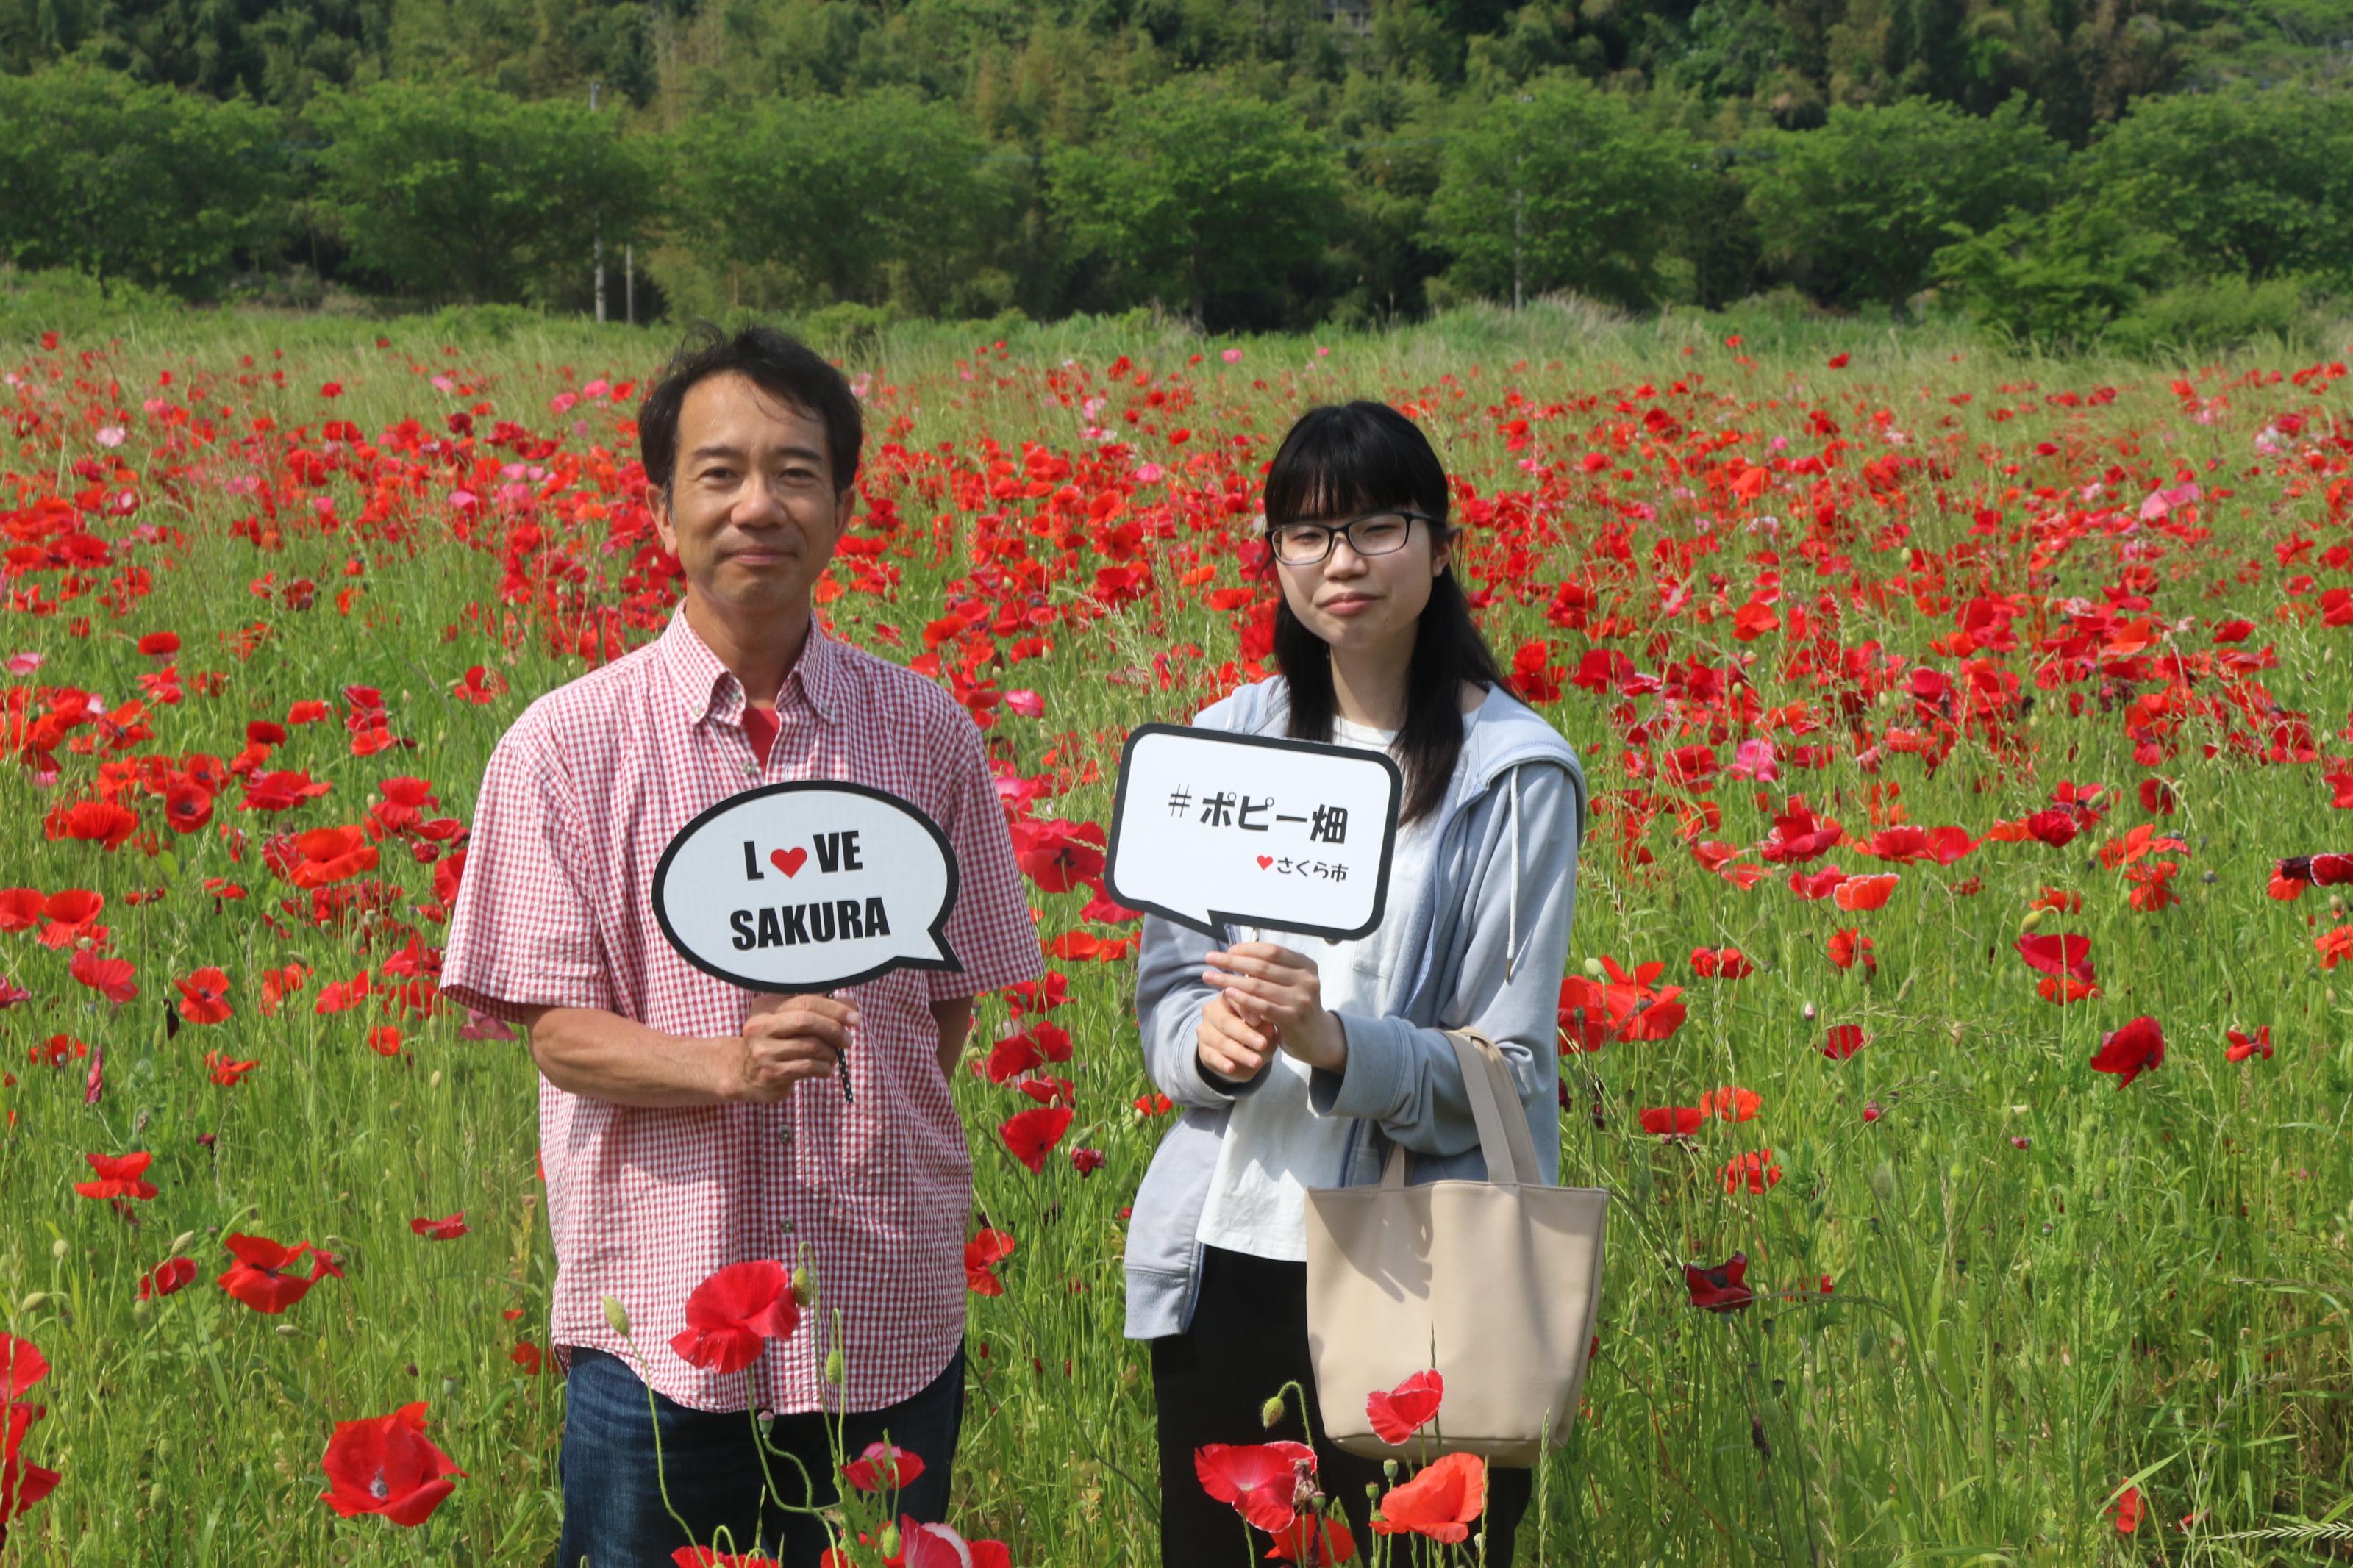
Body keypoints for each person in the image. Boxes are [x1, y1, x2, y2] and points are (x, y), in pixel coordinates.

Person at [439, 324, 1044, 1568]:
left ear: (841, 508)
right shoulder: (564, 748)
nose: (757, 504)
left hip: (881, 1294)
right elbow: (555, 1032)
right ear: (661, 510)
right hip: (666, 1314)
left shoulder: (923, 732)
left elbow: (944, 1006)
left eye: (796, 471)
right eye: (719, 473)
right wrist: (730, 1067)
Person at [1124, 400, 1588, 1564]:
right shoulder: (1224, 744)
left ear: (1441, 549)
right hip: (1227, 1254)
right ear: (1273, 558)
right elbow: (1169, 993)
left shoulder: (1513, 776)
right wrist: (1209, 1042)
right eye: (1307, 532)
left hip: (1420, 1262)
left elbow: (1514, 1065)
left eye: (1380, 525)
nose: (1342, 561)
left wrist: (1335, 1041)